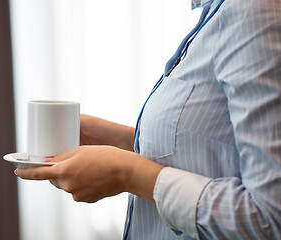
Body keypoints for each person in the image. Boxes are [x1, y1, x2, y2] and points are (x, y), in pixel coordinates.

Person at [15, 0, 281, 239]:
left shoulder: (251, 10)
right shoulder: (218, 13)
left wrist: (127, 172)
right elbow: (221, 149)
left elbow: (268, 221)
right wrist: (123, 141)